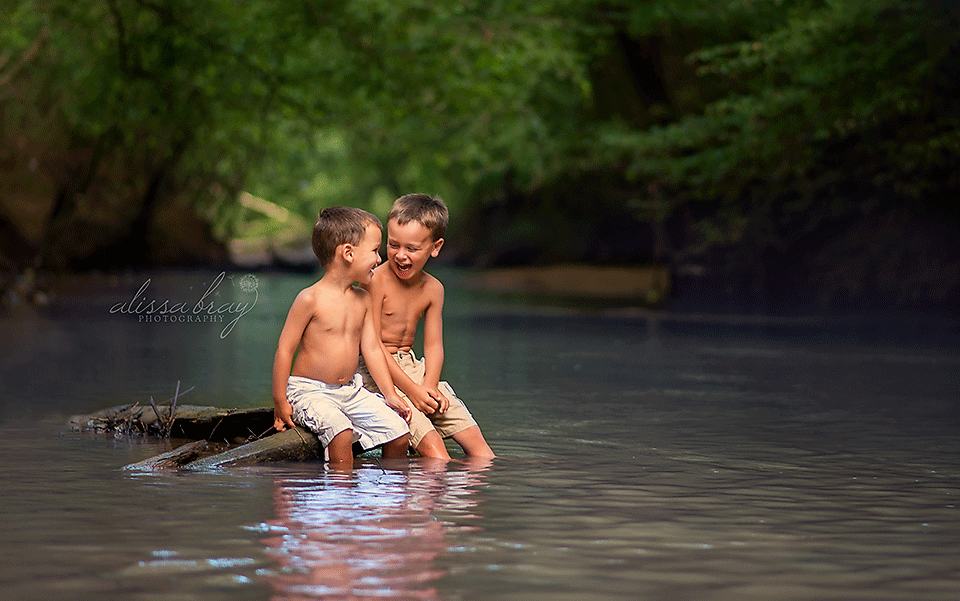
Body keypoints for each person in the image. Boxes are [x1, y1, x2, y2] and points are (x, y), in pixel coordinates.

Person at [272, 206, 411, 465]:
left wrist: (390, 394)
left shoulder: (364, 299)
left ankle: (389, 497)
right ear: (348, 253)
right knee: (341, 434)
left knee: (400, 433)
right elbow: (285, 350)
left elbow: (371, 349)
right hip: (309, 392)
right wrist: (280, 401)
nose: (379, 259)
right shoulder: (309, 299)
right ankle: (340, 499)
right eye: (374, 251)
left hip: (350, 390)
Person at [360, 193, 495, 460]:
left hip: (414, 369)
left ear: (435, 247)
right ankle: (418, 498)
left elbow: (433, 345)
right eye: (393, 245)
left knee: (482, 453)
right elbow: (372, 345)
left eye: (411, 249)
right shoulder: (375, 281)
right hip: (376, 371)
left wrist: (430, 386)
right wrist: (413, 392)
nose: (400, 256)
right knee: (438, 455)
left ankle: (461, 499)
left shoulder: (434, 289)